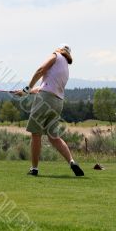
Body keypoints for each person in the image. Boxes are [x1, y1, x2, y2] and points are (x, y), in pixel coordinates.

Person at [14, 44, 84, 177]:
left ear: (60, 50)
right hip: (58, 102)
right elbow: (44, 87)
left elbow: (41, 70)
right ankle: (72, 162)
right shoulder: (66, 68)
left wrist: (27, 88)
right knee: (54, 137)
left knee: (36, 134)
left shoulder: (55, 55)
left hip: (45, 100)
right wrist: (25, 93)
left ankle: (34, 169)